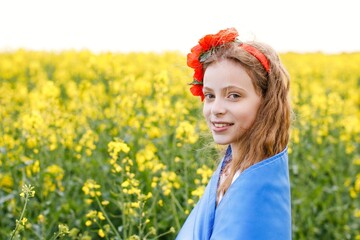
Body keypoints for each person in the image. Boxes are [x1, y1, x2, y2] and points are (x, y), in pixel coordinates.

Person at [176, 28, 292, 240]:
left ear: (266, 102)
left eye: (234, 95)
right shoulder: (232, 165)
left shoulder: (259, 189)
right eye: (209, 95)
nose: (216, 108)